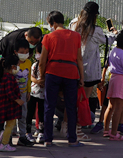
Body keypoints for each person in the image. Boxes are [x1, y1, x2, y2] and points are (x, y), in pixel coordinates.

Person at [38, 10, 85, 148]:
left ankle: (48, 139)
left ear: (52, 23)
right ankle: (72, 139)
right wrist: (82, 77)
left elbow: (42, 61)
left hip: (53, 72)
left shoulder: (48, 37)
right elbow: (79, 59)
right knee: (71, 107)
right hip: (71, 72)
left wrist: (41, 77)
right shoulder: (76, 36)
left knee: (49, 106)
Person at [70, 1, 113, 134]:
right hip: (88, 71)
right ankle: (78, 128)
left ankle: (68, 124)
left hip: (74, 68)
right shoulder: (96, 30)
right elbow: (108, 41)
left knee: (72, 98)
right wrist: (114, 33)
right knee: (84, 100)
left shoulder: (73, 24)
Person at [103, 29, 123, 140]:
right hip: (121, 80)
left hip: (113, 78)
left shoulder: (114, 51)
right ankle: (114, 133)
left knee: (110, 106)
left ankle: (106, 130)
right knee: (119, 108)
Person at [0, 54, 25, 152]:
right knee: (10, 125)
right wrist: (17, 100)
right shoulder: (9, 77)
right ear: (13, 67)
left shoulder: (6, 76)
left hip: (6, 105)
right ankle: (4, 144)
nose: (18, 67)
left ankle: (1, 140)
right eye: (18, 65)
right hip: (10, 106)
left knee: (8, 125)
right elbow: (9, 92)